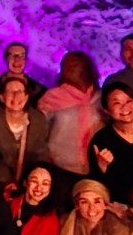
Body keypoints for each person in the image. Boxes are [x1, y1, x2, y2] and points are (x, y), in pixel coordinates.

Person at [36, 51, 104, 204]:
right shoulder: (51, 98)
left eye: (76, 63)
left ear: (88, 67)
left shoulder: (101, 98)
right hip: (61, 168)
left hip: (96, 169)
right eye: (67, 64)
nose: (72, 67)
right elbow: (38, 134)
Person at [0, 74, 42, 185]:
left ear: (26, 97)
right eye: (10, 92)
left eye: (19, 92)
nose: (15, 97)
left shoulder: (38, 121)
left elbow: (41, 152)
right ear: (2, 97)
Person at [0, 41, 45, 122]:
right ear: (6, 59)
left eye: (22, 56)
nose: (17, 60)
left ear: (26, 60)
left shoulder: (38, 90)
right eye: (12, 56)